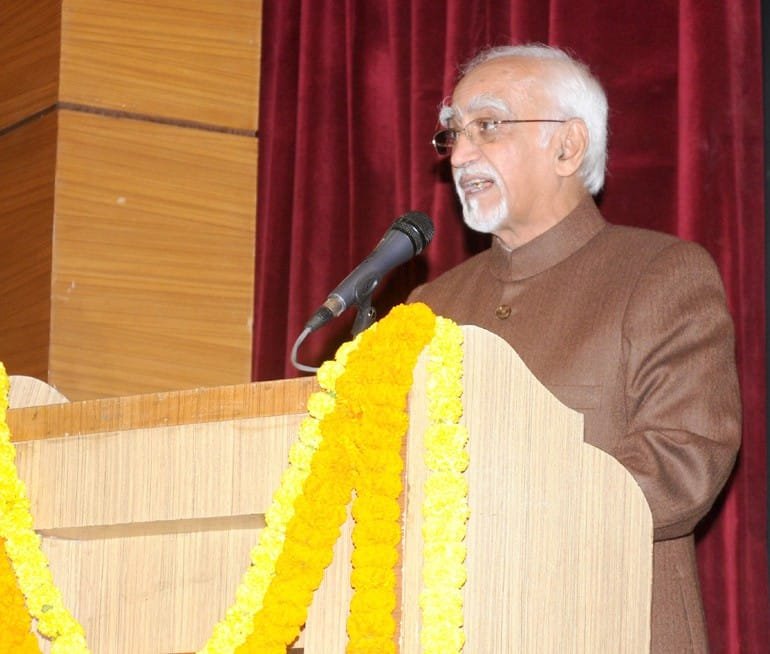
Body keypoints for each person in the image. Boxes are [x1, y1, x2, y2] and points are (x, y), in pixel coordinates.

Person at [408, 43, 741, 652]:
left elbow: (683, 463)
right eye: (453, 133)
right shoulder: (430, 306)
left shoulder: (658, 273)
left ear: (568, 146)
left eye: (488, 125)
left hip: (609, 625)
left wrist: (499, 506)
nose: (461, 152)